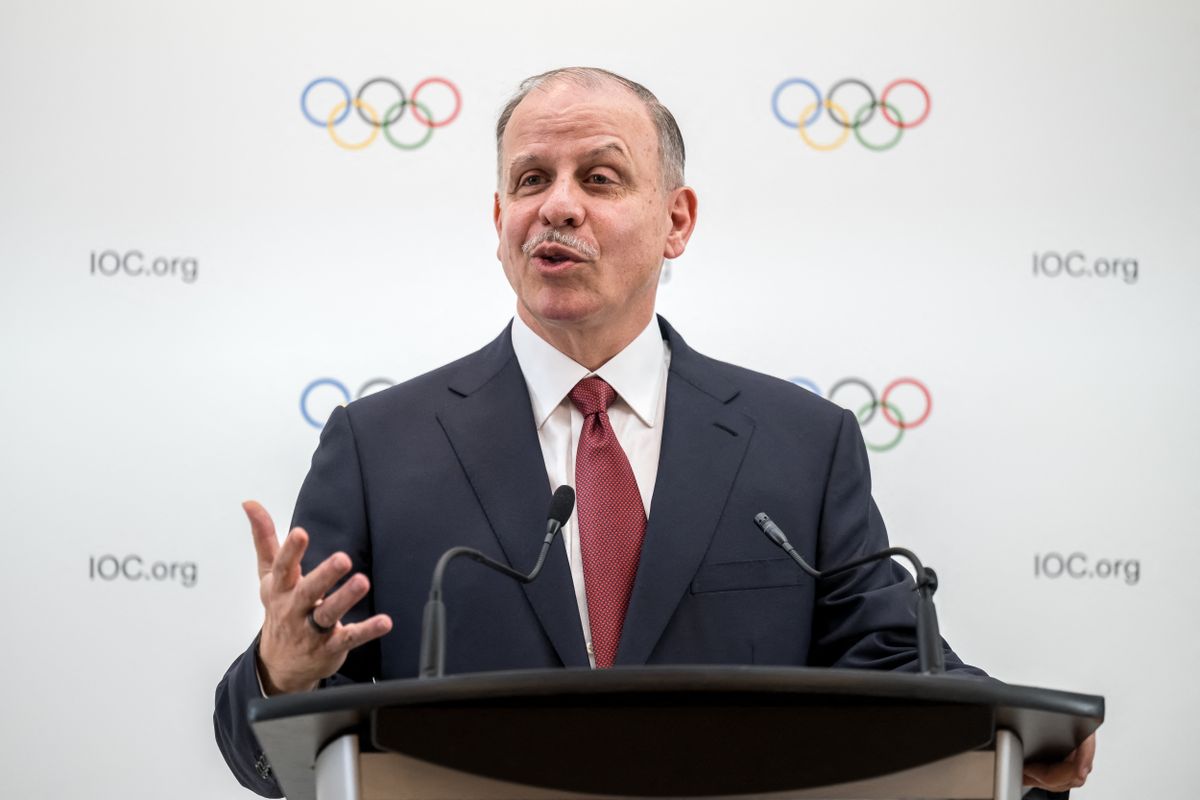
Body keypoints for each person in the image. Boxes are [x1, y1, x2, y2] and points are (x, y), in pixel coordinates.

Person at [214, 67, 1094, 797]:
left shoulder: (800, 442)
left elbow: (894, 663)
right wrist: (283, 670)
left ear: (677, 220)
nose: (557, 207)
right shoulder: (378, 444)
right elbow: (267, 740)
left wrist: (1020, 730)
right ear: (498, 223)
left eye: (599, 178)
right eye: (530, 180)